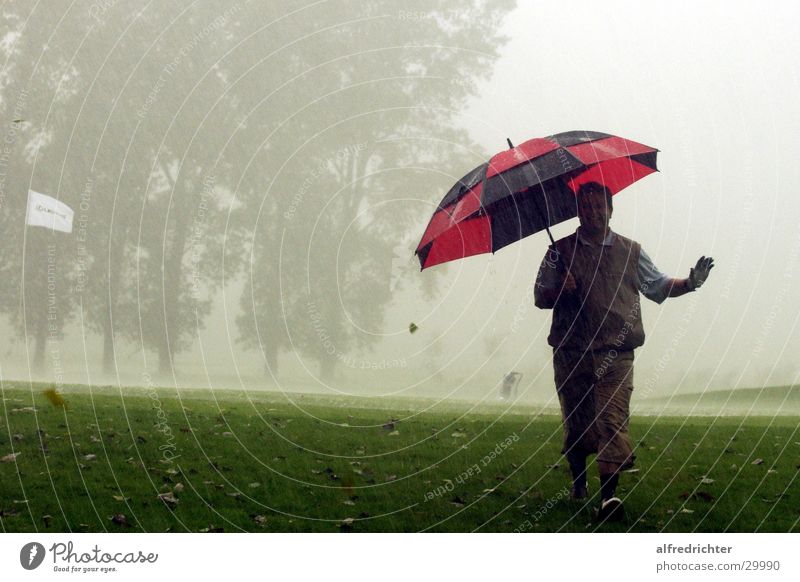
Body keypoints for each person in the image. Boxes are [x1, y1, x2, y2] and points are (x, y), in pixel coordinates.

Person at [533, 181, 714, 522]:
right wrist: (560, 289)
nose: (593, 211)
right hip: (571, 353)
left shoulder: (631, 252)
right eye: (585, 206)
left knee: (612, 422)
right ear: (578, 211)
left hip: (616, 353)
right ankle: (578, 482)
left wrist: (690, 284)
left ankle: (608, 498)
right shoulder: (559, 252)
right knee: (577, 423)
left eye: (599, 205)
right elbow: (540, 297)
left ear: (611, 209)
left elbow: (658, 286)